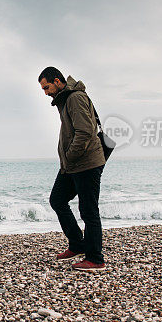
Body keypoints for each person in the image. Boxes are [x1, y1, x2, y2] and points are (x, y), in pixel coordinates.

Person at [38, 66, 107, 272]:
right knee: (57, 200)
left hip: (86, 163)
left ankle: (95, 259)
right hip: (72, 165)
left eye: (47, 87)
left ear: (58, 81)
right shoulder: (66, 99)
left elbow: (85, 132)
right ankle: (77, 244)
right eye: (43, 89)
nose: (46, 93)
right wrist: (68, 161)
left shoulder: (75, 98)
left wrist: (69, 156)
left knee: (88, 210)